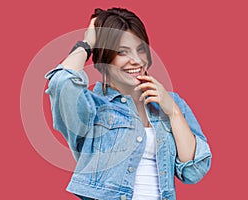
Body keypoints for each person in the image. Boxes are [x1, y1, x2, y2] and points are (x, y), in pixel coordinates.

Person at [45, 7, 212, 200]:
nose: (136, 60)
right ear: (104, 59)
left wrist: (172, 112)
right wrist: (88, 43)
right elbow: (61, 83)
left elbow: (195, 171)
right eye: (123, 52)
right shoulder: (91, 107)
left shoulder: (172, 103)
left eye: (140, 49)